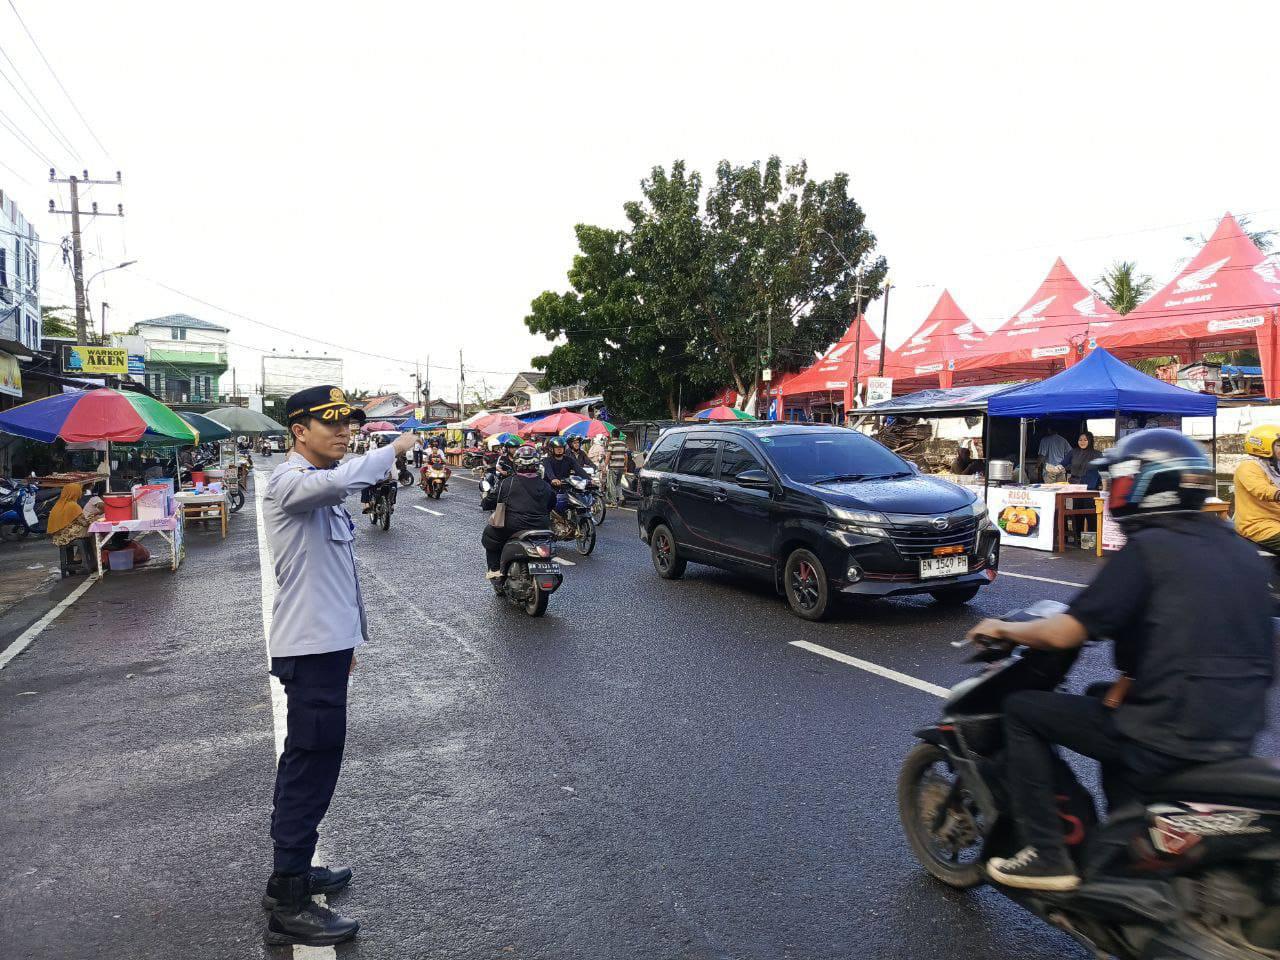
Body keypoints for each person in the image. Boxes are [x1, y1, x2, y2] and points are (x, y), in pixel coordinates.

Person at [966, 428, 1273, 893]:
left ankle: (1050, 854)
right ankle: (1129, 831)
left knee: (1022, 711)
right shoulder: (1241, 551)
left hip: (1168, 733)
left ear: (1140, 484)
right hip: (1234, 730)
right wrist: (1131, 678)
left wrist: (1002, 628)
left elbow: (1067, 631)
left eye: (1117, 483)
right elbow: (1193, 626)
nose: (1112, 493)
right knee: (1098, 697)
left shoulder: (1148, 549)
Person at [260, 385, 416, 947]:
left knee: (312, 762)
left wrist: (349, 643)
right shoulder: (288, 482)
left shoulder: (319, 490)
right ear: (299, 431)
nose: (344, 431)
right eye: (332, 424)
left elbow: (335, 580)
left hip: (325, 648)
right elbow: (342, 479)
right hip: (308, 649)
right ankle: (288, 898)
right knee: (310, 766)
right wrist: (392, 448)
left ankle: (295, 871)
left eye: (348, 423)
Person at [480, 444, 555, 579]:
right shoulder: (546, 485)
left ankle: (495, 569)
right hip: (542, 526)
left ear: (516, 464)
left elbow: (492, 500)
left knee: (490, 535)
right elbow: (551, 504)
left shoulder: (507, 483)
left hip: (514, 526)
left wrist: (484, 502)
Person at [1234, 424, 1280, 553]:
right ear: (1264, 447)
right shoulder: (1248, 467)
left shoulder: (1275, 468)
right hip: (1258, 526)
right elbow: (1261, 489)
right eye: (1279, 445)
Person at [541, 436, 588, 515]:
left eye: (561, 448)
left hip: (565, 486)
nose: (559, 450)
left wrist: (589, 479)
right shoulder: (547, 460)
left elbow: (579, 470)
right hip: (551, 487)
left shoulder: (569, 460)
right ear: (552, 449)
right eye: (557, 448)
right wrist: (553, 479)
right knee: (547, 506)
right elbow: (549, 472)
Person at [606, 431, 629, 505]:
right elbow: (626, 456)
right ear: (618, 435)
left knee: (612, 484)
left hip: (613, 467)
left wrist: (605, 465)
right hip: (621, 467)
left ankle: (613, 502)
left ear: (612, 435)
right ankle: (621, 498)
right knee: (618, 483)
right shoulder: (623, 444)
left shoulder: (611, 444)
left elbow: (608, 455)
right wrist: (625, 466)